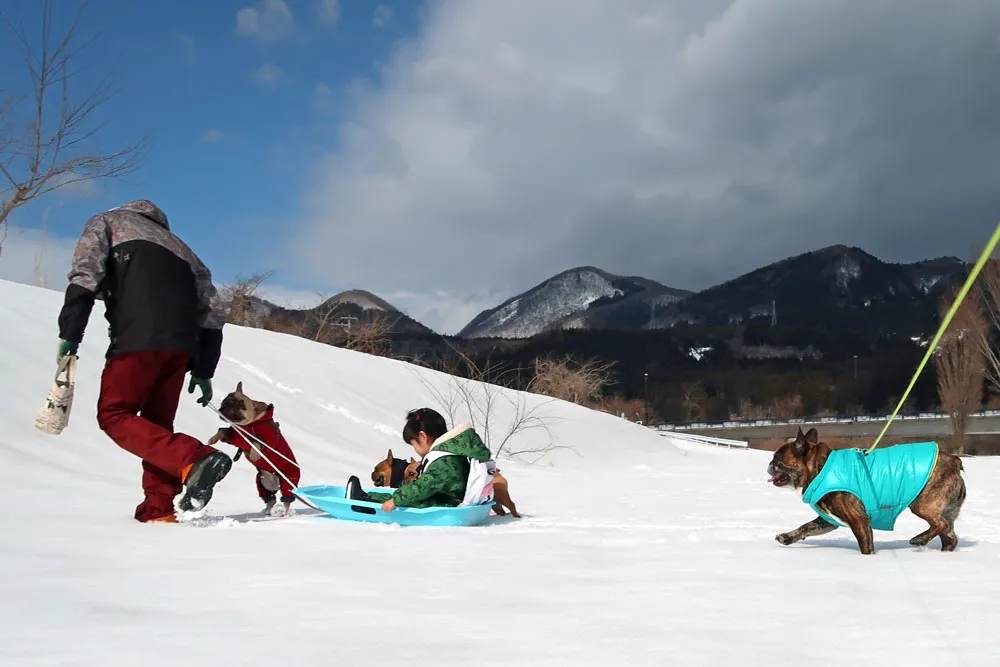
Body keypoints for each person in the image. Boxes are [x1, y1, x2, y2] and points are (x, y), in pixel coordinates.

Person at [57, 199, 232, 522]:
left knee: (114, 414)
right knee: (157, 428)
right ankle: (159, 510)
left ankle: (195, 456)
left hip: (137, 338)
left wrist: (71, 333)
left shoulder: (108, 222)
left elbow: (86, 275)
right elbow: (214, 312)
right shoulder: (185, 250)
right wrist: (205, 369)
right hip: (181, 350)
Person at [345, 407, 494, 511]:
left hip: (447, 506)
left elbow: (423, 487)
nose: (414, 449)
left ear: (423, 436)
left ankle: (363, 502)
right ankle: (366, 496)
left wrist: (396, 500)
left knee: (411, 499)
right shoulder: (452, 453)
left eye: (413, 444)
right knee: (404, 494)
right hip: (448, 500)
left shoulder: (444, 460)